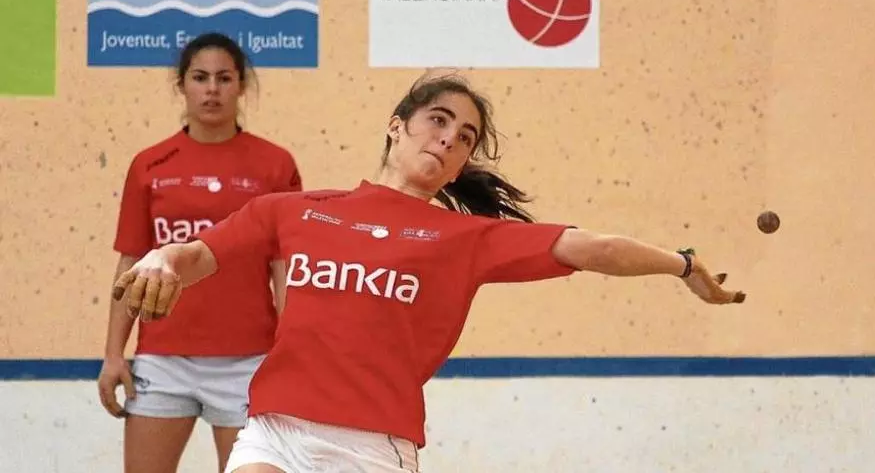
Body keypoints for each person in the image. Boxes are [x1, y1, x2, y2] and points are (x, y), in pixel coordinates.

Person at [110, 73, 745, 473]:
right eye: (437, 121)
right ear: (397, 127)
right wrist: (162, 258)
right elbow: (198, 255)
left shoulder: (466, 238)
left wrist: (682, 264)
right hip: (275, 432)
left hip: (373, 447)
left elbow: (594, 249)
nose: (447, 139)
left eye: (464, 137)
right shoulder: (295, 210)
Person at [97, 32, 304, 473]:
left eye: (224, 78)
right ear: (182, 85)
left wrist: (291, 354)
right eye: (200, 77)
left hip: (248, 361)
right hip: (162, 359)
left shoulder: (275, 164)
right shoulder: (149, 164)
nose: (212, 89)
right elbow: (131, 262)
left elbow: (283, 267)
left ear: (241, 86)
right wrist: (114, 354)